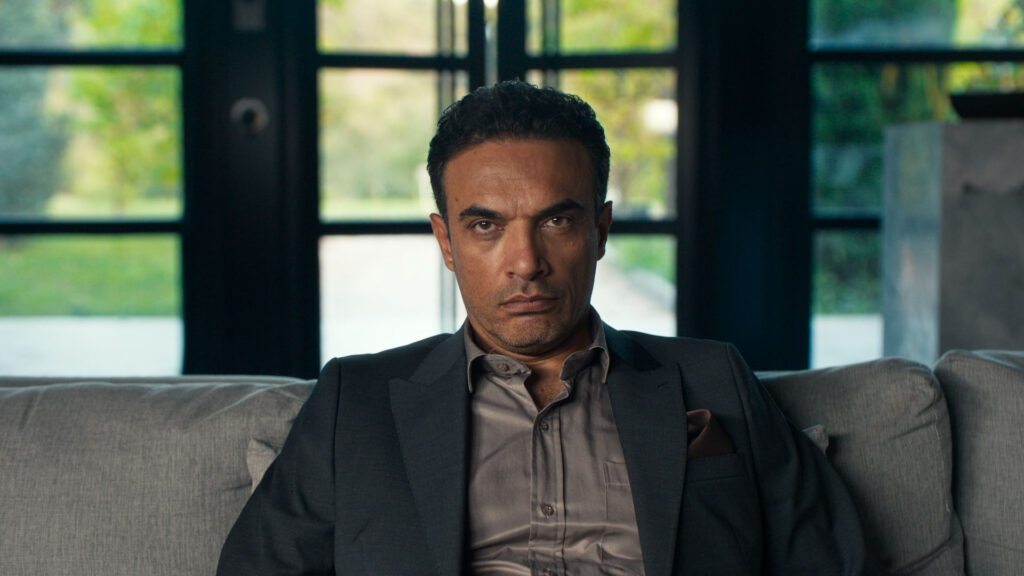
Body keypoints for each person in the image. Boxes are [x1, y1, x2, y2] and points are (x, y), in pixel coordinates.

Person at [217, 81, 874, 575]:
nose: (526, 262)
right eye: (486, 226)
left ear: (600, 230)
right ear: (446, 242)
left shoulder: (713, 377)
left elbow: (833, 561)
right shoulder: (355, 401)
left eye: (557, 221)